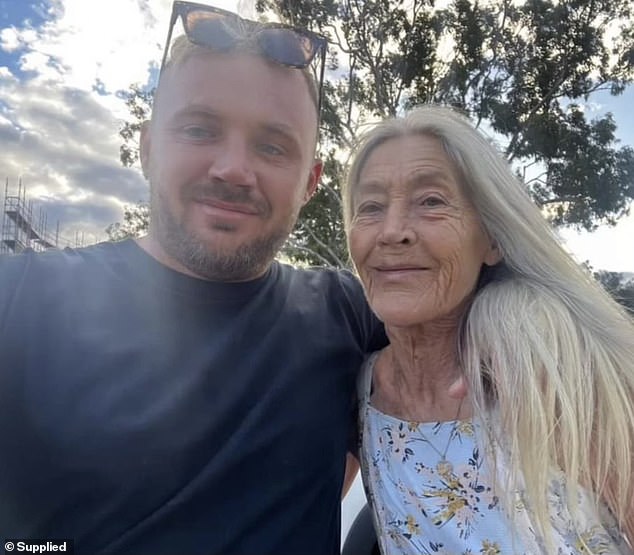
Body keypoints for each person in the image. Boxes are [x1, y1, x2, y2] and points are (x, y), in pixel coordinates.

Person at [0, 3, 386, 554]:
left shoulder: (348, 314)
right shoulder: (19, 299)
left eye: (273, 146)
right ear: (149, 147)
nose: (233, 169)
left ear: (310, 181)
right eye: (200, 129)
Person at [342, 105, 634, 554]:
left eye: (431, 202)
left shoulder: (554, 370)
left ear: (492, 240)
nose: (392, 231)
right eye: (371, 207)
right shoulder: (359, 393)